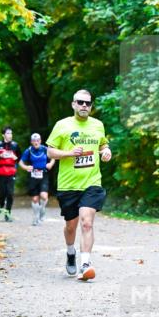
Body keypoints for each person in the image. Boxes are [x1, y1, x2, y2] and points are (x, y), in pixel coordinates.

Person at [46, 89, 112, 280]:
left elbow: (102, 144)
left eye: (88, 103)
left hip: (92, 182)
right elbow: (50, 152)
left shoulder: (98, 125)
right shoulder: (62, 125)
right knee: (71, 226)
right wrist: (69, 153)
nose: (84, 106)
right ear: (73, 104)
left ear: (91, 106)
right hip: (68, 185)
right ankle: (70, 252)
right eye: (80, 102)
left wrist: (106, 151)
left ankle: (85, 264)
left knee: (86, 222)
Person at [19, 133, 56, 225]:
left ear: (40, 141)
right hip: (33, 176)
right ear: (31, 142)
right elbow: (20, 162)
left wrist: (50, 164)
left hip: (43, 175)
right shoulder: (28, 151)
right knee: (35, 199)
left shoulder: (45, 149)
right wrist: (26, 167)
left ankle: (42, 212)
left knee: (44, 196)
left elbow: (54, 156)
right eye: (34, 141)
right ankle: (36, 217)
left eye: (38, 140)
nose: (36, 142)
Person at [0, 128, 21, 221]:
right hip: (1, 172)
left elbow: (20, 159)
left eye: (11, 133)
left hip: (11, 172)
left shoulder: (15, 145)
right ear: (3, 135)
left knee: (10, 193)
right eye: (8, 133)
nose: (10, 135)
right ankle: (1, 205)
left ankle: (7, 214)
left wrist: (15, 157)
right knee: (2, 193)